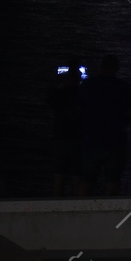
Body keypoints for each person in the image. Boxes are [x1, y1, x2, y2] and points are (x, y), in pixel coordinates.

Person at [78, 54, 131, 196]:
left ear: (101, 67)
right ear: (117, 68)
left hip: (91, 139)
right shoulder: (124, 88)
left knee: (86, 180)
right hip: (115, 141)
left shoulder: (87, 85)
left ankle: (80, 213)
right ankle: (111, 215)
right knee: (113, 181)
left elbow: (78, 110)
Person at [45, 64, 87, 197]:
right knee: (77, 179)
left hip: (60, 139)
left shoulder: (59, 93)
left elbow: (48, 102)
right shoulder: (82, 95)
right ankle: (77, 210)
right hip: (77, 140)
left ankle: (56, 210)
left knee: (59, 178)